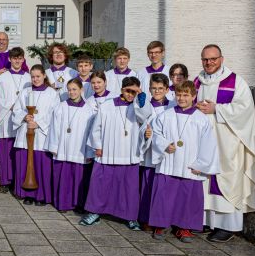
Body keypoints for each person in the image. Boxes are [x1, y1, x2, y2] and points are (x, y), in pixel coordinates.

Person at [195, 44, 255, 243]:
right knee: (204, 178)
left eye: (213, 59)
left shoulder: (236, 82)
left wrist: (217, 109)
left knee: (226, 178)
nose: (209, 63)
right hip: (204, 140)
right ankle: (207, 221)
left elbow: (244, 109)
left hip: (227, 142)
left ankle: (227, 226)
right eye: (205, 59)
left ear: (221, 59)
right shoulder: (197, 81)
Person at [149, 80, 220, 242]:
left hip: (190, 165)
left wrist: (201, 165)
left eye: (186, 95)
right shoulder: (165, 115)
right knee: (164, 195)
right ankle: (161, 224)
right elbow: (156, 134)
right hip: (169, 162)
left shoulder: (201, 119)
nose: (181, 98)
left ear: (194, 96)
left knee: (188, 197)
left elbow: (208, 144)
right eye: (179, 95)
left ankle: (185, 227)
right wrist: (165, 145)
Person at [80, 76, 143, 229]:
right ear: (122, 90)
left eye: (134, 92)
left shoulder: (139, 107)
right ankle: (94, 212)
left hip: (129, 152)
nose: (130, 95)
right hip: (108, 151)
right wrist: (97, 145)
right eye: (128, 91)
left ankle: (130, 217)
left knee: (129, 187)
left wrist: (140, 97)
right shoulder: (107, 106)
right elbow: (96, 128)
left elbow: (145, 116)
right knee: (100, 184)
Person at [46, 78, 97, 211]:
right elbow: (54, 127)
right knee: (64, 177)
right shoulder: (61, 107)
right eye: (69, 90)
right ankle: (62, 203)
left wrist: (90, 152)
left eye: (74, 89)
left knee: (79, 178)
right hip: (63, 147)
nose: (71, 92)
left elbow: (92, 132)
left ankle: (78, 204)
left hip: (80, 150)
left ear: (81, 90)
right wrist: (54, 146)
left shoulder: (89, 110)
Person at [11, 64, 58, 205]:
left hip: (42, 135)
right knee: (25, 163)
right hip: (25, 133)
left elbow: (55, 114)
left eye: (38, 76)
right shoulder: (25, 92)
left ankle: (41, 196)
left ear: (44, 76)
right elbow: (16, 110)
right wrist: (24, 117)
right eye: (33, 77)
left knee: (40, 165)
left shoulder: (52, 93)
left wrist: (39, 124)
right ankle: (27, 194)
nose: (35, 79)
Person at [136, 73, 173, 228]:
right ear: (149, 90)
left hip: (166, 156)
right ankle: (145, 218)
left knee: (163, 190)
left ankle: (162, 220)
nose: (157, 91)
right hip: (149, 155)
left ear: (166, 89)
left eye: (160, 88)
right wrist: (145, 134)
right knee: (147, 187)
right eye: (154, 88)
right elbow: (138, 125)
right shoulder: (144, 106)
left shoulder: (173, 106)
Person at [0, 47, 31, 192]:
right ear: (9, 59)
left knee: (20, 150)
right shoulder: (2, 77)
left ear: (23, 59)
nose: (17, 61)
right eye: (14, 58)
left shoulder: (29, 77)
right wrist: (10, 107)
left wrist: (21, 111)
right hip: (6, 116)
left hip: (22, 118)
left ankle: (18, 179)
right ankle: (5, 181)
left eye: (20, 58)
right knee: (5, 150)